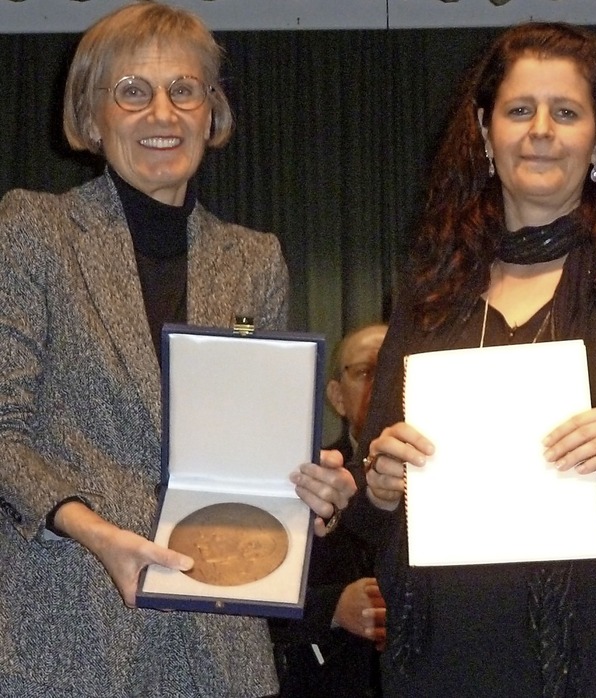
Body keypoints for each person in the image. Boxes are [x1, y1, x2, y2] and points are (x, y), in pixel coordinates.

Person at [0, 3, 353, 696]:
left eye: (183, 90)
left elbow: (257, 448)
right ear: (92, 117)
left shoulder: (255, 259)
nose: (162, 112)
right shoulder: (34, 230)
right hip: (67, 636)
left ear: (210, 113)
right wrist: (96, 532)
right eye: (133, 91)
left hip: (220, 647)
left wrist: (313, 489)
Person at [345, 21, 596, 697]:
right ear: (485, 133)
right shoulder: (431, 290)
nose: (540, 130)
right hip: (447, 651)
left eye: (565, 112)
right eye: (518, 110)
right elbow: (374, 492)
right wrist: (384, 482)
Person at [271, 323, 388, 697]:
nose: (383, 384)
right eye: (368, 371)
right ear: (337, 397)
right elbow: (260, 598)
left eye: (395, 370)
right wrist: (334, 608)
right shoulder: (302, 478)